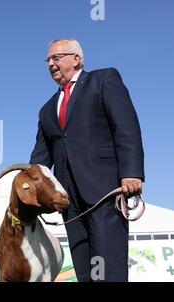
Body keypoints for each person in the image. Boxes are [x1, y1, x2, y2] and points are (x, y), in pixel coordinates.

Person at [29, 38, 144, 282]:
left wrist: (131, 171)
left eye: (56, 57)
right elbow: (40, 158)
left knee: (108, 268)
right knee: (85, 270)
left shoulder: (104, 80)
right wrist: (29, 187)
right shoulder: (47, 109)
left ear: (76, 58)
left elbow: (126, 127)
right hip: (69, 201)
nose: (50, 63)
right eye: (47, 60)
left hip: (105, 192)